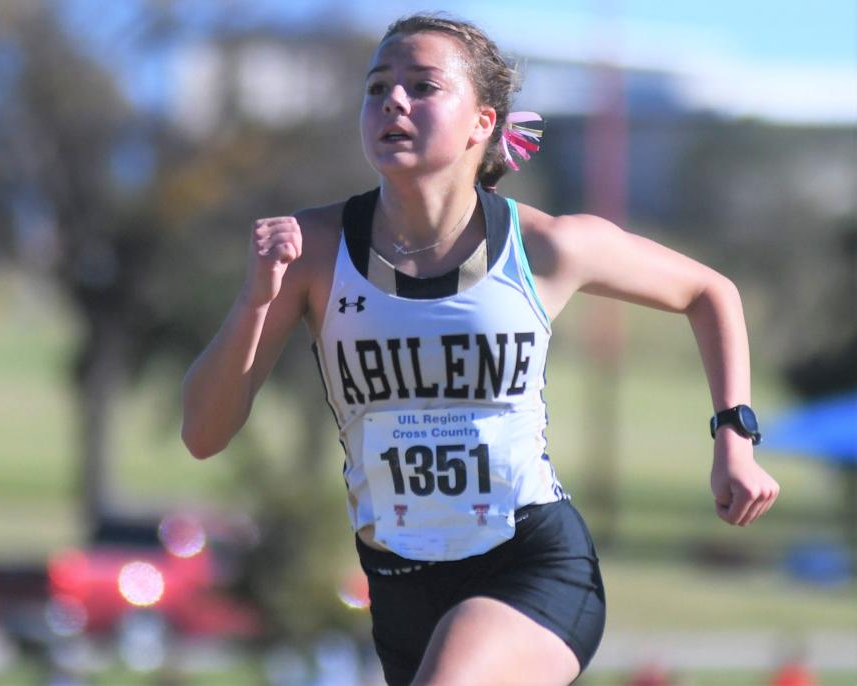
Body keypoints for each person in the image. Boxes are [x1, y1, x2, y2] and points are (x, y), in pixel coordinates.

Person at [181, 13, 780, 686]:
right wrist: (257, 299)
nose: (393, 102)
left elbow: (709, 291)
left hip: (529, 566)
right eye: (377, 87)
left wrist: (735, 436)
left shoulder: (546, 246)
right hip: (400, 586)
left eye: (422, 86)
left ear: (482, 123)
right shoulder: (312, 250)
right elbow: (204, 433)